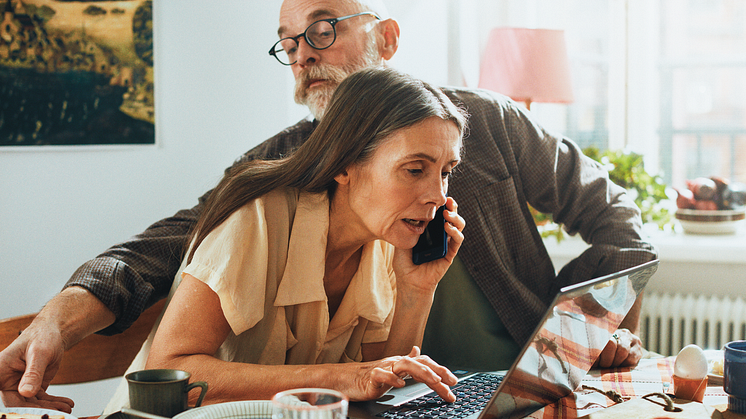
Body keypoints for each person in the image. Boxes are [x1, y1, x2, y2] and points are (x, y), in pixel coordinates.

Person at [0, 0, 657, 413]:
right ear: (343, 173)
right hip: (401, 397)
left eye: (321, 29)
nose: (303, 56)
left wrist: (577, 333)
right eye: (289, 44)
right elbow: (155, 253)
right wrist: (59, 318)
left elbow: (622, 225)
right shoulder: (287, 172)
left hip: (503, 388)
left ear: (388, 38)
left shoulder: (488, 124)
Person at [102, 67, 467, 408]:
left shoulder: (387, 240)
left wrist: (416, 291)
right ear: (344, 164)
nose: (436, 195)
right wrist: (334, 379)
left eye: (446, 172)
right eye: (415, 169)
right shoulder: (259, 218)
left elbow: (378, 388)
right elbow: (172, 371)